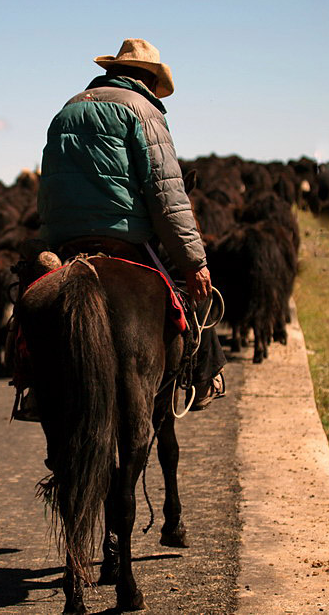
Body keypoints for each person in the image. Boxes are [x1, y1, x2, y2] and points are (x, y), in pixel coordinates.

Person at [33, 37, 224, 411]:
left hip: (64, 239)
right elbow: (166, 191)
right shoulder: (144, 111)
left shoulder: (66, 109)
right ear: (149, 81)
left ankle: (32, 388)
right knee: (193, 294)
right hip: (128, 238)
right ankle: (204, 376)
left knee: (27, 301)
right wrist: (194, 261)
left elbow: (49, 184)